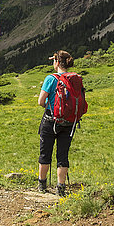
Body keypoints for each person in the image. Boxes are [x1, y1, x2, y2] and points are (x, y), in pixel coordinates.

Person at [37, 49, 75, 196]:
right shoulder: (74, 78)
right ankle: (61, 188)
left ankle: (42, 186)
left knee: (45, 154)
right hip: (69, 123)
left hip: (50, 121)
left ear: (57, 62)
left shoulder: (51, 79)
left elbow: (41, 101)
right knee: (62, 156)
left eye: (54, 61)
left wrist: (49, 103)